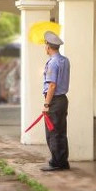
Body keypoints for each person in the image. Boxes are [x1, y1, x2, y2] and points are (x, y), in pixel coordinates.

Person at [41, 31, 70, 171]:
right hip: (63, 100)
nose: (44, 48)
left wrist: (46, 104)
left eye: (45, 45)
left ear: (48, 46)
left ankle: (56, 162)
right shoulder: (65, 60)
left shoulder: (53, 63)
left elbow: (52, 85)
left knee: (52, 132)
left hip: (54, 100)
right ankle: (62, 161)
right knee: (61, 131)